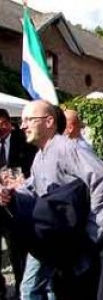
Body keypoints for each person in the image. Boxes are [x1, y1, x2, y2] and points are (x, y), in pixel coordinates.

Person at [0, 100, 103, 300]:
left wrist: (93, 230)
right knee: (46, 288)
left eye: (29, 119)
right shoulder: (41, 155)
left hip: (69, 237)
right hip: (51, 237)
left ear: (49, 121)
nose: (22, 126)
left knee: (32, 289)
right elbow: (34, 189)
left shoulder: (66, 148)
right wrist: (11, 193)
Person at [0, 109, 36, 300]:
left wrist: (17, 186)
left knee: (17, 252)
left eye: (1, 125)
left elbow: (32, 170)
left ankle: (23, 291)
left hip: (16, 205)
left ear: (7, 123)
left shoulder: (23, 140)